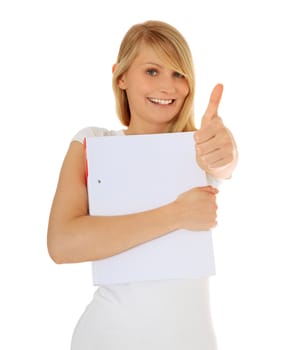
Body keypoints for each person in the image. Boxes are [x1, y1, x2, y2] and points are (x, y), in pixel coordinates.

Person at [47, 20, 238, 350]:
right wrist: (176, 215)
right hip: (108, 338)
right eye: (152, 71)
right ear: (120, 77)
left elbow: (224, 162)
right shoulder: (92, 143)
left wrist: (226, 149)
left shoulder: (199, 147)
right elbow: (62, 244)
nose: (168, 86)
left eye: (179, 74)